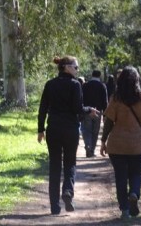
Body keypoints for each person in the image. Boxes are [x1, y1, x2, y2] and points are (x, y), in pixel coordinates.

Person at [38, 56, 99, 215]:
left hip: (53, 129)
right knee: (70, 162)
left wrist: (40, 130)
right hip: (70, 129)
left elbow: (43, 108)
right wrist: (89, 110)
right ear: (66, 67)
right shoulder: (75, 85)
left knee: (55, 165)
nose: (77, 70)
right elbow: (78, 109)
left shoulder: (50, 84)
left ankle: (54, 207)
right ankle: (67, 191)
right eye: (76, 67)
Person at [100, 66, 141, 219]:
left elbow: (108, 122)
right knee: (135, 174)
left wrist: (103, 140)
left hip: (117, 145)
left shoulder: (116, 98)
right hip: (137, 145)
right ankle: (134, 193)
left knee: (120, 177)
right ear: (137, 80)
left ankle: (125, 210)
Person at [81, 70, 108, 157]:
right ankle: (92, 149)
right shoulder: (102, 86)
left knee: (86, 130)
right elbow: (105, 101)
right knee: (95, 131)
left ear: (92, 75)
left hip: (87, 111)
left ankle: (88, 145)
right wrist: (105, 115)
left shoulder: (85, 85)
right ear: (99, 76)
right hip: (98, 111)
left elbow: (81, 98)